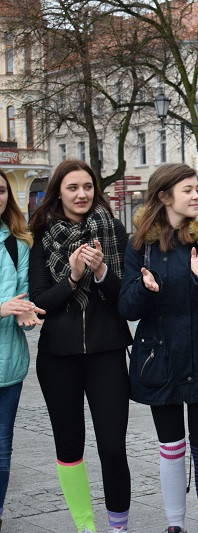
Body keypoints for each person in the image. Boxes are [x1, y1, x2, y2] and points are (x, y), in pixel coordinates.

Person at [119, 163, 198, 533]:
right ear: (163, 196)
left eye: (196, 189)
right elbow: (126, 306)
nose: (195, 196)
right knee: (170, 445)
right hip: (159, 357)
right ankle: (175, 525)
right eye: (187, 190)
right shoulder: (140, 245)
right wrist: (144, 288)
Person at [28, 159, 132, 533]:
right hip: (58, 357)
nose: (82, 194)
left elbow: (127, 301)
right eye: (73, 187)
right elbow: (41, 302)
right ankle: (85, 527)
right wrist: (72, 277)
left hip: (107, 352)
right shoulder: (42, 235)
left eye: (87, 186)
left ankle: (117, 528)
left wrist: (102, 271)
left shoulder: (113, 229)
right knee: (70, 446)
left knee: (112, 447)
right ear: (59, 191)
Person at [0, 170, 43, 531]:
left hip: (8, 367)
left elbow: (24, 295)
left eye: (0, 191)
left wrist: (26, 313)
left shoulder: (17, 243)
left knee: (1, 455)